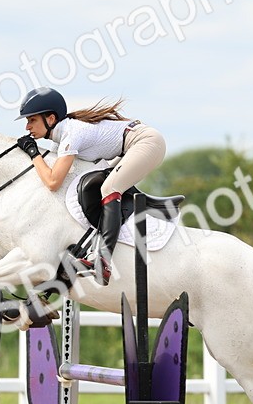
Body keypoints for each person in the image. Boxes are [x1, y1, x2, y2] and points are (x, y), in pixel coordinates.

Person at [15, 87, 167, 285]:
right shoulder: (63, 136)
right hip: (129, 146)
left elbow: (53, 182)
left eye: (31, 120)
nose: (27, 127)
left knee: (109, 189)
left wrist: (33, 153)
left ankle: (103, 259)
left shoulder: (71, 134)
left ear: (50, 119)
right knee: (97, 187)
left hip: (146, 142)